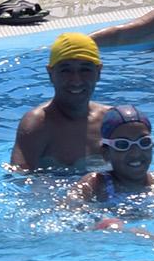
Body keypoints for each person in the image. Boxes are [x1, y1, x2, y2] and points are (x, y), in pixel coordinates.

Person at [10, 33, 108, 171]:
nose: (76, 80)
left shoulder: (111, 121)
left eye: (85, 69)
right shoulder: (38, 124)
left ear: (98, 72)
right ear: (50, 73)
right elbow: (17, 179)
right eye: (65, 70)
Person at [74, 105, 154, 206]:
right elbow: (71, 215)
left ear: (152, 145)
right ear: (106, 153)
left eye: (144, 142)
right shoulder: (93, 186)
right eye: (122, 144)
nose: (136, 153)